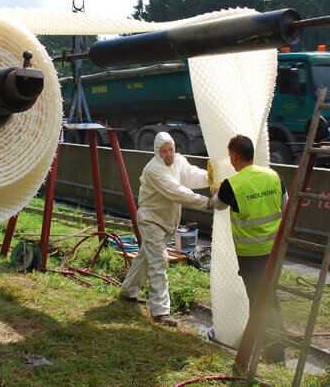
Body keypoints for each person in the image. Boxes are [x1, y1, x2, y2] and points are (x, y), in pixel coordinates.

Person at [120, 132, 212, 326]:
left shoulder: (178, 161)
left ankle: (128, 291)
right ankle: (160, 312)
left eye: (171, 149)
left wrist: (210, 177)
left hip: (165, 222)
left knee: (146, 258)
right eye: (164, 151)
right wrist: (208, 203)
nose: (168, 154)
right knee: (159, 263)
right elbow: (176, 192)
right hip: (151, 221)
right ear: (157, 152)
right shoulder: (154, 170)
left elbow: (192, 175)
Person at [211, 134, 286, 362]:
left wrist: (215, 187)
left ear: (235, 155)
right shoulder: (272, 175)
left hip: (251, 255)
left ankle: (270, 354)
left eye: (230, 155)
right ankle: (274, 350)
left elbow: (217, 206)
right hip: (274, 250)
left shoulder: (232, 184)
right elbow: (286, 203)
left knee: (259, 301)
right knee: (270, 297)